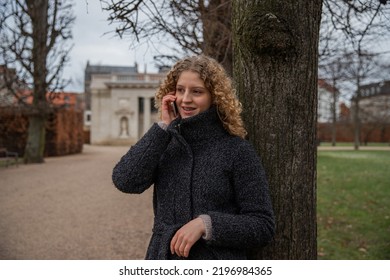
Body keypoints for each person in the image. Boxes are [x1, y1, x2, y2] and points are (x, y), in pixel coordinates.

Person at [112, 55, 275, 260]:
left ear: (214, 97)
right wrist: (162, 128)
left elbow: (262, 225)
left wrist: (206, 224)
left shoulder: (236, 151)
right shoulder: (164, 143)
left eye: (196, 92)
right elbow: (125, 180)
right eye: (180, 90)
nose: (185, 99)